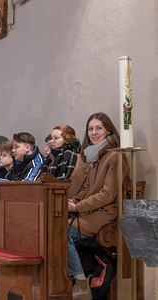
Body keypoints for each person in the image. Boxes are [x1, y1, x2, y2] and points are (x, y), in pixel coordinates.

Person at [67, 112, 130, 299]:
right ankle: (72, 278)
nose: (94, 132)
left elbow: (107, 194)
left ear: (108, 130)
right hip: (91, 209)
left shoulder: (115, 156)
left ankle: (81, 283)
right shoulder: (94, 155)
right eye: (90, 129)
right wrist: (75, 200)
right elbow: (87, 188)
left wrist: (78, 208)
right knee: (49, 224)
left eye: (98, 128)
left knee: (59, 230)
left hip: (105, 212)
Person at [42, 125, 89, 197]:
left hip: (66, 201)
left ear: (67, 139)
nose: (51, 141)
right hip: (50, 199)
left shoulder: (77, 159)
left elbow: (74, 186)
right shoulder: (50, 159)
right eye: (52, 138)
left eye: (56, 138)